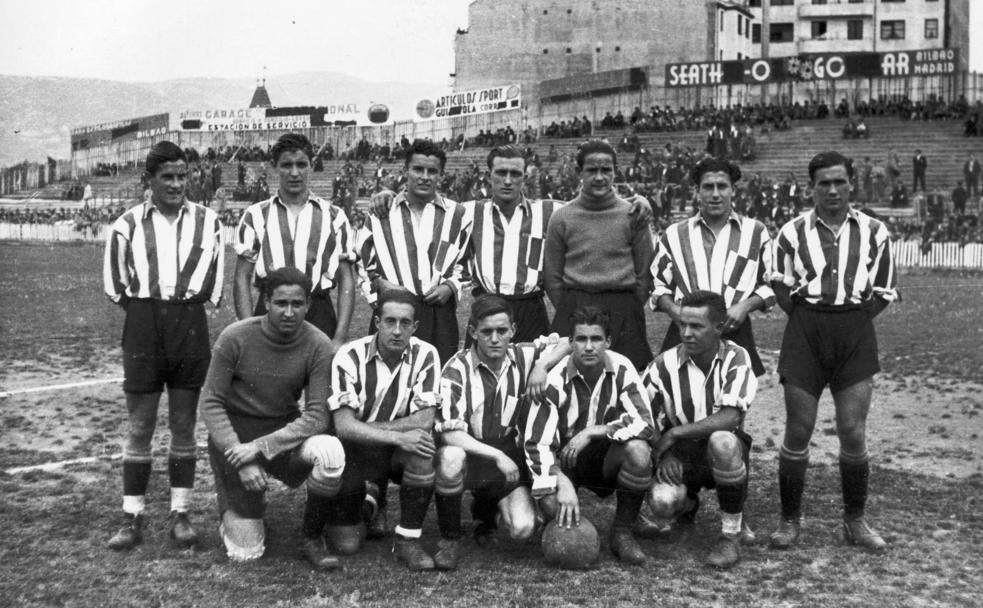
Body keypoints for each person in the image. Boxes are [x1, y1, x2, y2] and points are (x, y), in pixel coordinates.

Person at [770, 151, 899, 553]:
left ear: (851, 184)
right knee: (798, 428)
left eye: (839, 181)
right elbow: (780, 288)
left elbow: (883, 292)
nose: (831, 190)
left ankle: (855, 520)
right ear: (811, 188)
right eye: (823, 183)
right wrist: (813, 318)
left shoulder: (875, 232)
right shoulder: (790, 232)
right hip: (805, 329)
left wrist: (851, 321)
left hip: (854, 331)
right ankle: (790, 520)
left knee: (852, 430)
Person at [102, 141, 224, 550]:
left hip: (189, 322)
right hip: (143, 322)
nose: (176, 184)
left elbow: (213, 282)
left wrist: (178, 310)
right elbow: (116, 286)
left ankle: (181, 513)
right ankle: (131, 515)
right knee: (140, 425)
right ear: (148, 180)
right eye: (167, 177)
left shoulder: (210, 223)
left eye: (181, 176)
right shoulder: (127, 225)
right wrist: (148, 315)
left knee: (184, 424)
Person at [199, 267, 346, 568]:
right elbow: (211, 402)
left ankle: (311, 536)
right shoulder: (235, 337)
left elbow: (318, 415)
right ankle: (231, 507)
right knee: (246, 553)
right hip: (235, 439)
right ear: (266, 302)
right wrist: (243, 457)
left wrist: (262, 447)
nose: (289, 312)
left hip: (281, 434)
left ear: (308, 304)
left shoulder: (319, 344)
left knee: (330, 452)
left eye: (297, 304)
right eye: (281, 303)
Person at [368, 145, 563, 343]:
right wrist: (386, 195)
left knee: (532, 369)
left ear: (525, 177)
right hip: (487, 305)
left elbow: (586, 206)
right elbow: (426, 205)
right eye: (501, 173)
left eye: (515, 174)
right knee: (481, 371)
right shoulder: (467, 212)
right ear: (489, 176)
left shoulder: (548, 212)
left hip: (531, 308)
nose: (507, 181)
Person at [433, 295, 568, 570]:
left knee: (522, 529)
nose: (495, 339)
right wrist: (495, 455)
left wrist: (541, 365)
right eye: (486, 332)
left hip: (505, 454)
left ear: (513, 331)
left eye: (501, 331)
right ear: (473, 332)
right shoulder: (456, 369)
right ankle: (450, 539)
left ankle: (486, 511)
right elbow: (449, 434)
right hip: (471, 453)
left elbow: (566, 342)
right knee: (450, 457)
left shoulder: (523, 355)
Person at [525, 306, 655, 565]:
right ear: (570, 342)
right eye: (581, 339)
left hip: (602, 455)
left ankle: (623, 532)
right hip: (564, 459)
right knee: (552, 505)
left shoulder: (621, 366)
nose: (588, 347)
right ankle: (568, 529)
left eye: (596, 339)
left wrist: (594, 431)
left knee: (639, 452)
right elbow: (536, 442)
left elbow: (646, 422)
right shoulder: (554, 377)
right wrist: (560, 481)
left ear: (608, 341)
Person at [323, 289, 442, 570]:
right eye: (390, 321)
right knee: (347, 544)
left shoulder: (426, 354)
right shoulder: (349, 356)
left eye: (405, 323)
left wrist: (370, 429)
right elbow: (343, 427)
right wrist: (397, 434)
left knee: (423, 449)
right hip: (356, 449)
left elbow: (424, 419)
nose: (397, 331)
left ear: (415, 326)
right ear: (377, 322)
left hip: (394, 448)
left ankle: (407, 540)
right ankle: (367, 501)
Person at [641, 290, 757, 568]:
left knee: (723, 441)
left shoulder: (737, 357)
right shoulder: (662, 365)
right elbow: (643, 417)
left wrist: (675, 432)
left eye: (696, 326)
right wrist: (664, 454)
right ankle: (688, 507)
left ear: (719, 328)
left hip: (720, 446)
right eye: (683, 324)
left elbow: (730, 417)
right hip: (681, 454)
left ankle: (730, 535)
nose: (687, 333)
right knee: (661, 503)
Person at [650, 158, 773, 378]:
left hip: (734, 330)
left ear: (732, 190)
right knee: (680, 400)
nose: (715, 194)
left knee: (733, 402)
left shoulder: (756, 232)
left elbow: (769, 285)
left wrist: (744, 306)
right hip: (686, 330)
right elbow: (658, 286)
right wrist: (675, 311)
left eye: (722, 186)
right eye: (708, 187)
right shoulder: (675, 234)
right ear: (697, 191)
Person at [234, 133, 356, 344]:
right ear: (275, 167)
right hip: (270, 308)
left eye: (301, 164)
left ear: (311, 165)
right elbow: (241, 277)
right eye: (286, 165)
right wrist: (247, 330)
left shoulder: (334, 216)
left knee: (317, 376)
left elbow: (346, 279)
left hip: (318, 310)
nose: (294, 172)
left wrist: (340, 337)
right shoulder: (255, 214)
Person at [357, 139, 471, 363]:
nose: (425, 176)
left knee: (437, 376)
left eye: (432, 171)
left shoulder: (458, 214)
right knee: (386, 375)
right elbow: (363, 263)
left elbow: (466, 264)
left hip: (438, 313)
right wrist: (379, 285)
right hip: (394, 310)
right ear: (405, 171)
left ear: (441, 175)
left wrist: (450, 286)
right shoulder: (382, 211)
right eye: (418, 169)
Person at [544, 140, 655, 370]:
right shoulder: (562, 217)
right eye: (592, 170)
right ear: (579, 173)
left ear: (615, 172)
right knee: (568, 378)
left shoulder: (634, 214)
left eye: (606, 170)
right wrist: (570, 306)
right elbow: (552, 276)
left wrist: (630, 306)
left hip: (622, 308)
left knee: (625, 377)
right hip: (575, 306)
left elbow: (645, 273)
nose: (599, 177)